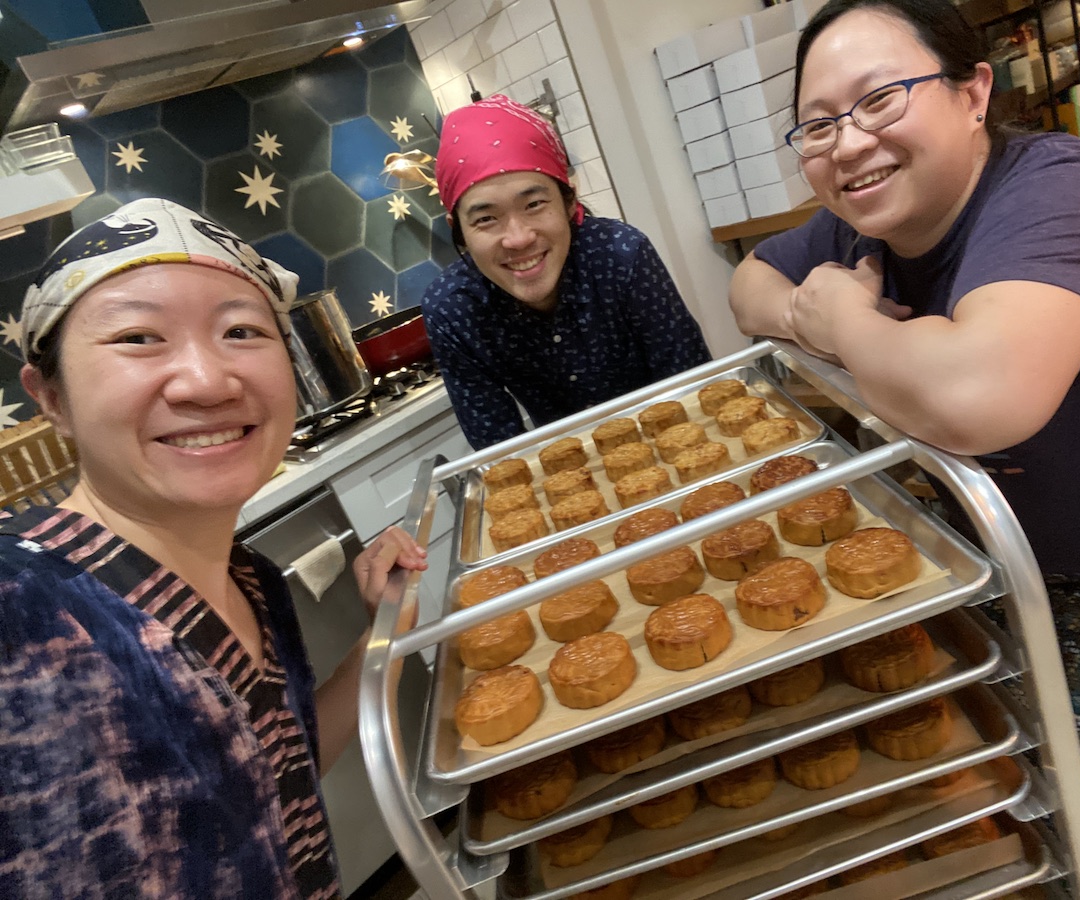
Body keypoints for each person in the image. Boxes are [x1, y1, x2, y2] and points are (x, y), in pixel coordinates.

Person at [727, 0, 1080, 893]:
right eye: (818, 123)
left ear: (974, 92)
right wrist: (804, 311)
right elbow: (751, 282)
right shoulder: (866, 222)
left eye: (880, 100)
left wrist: (845, 321)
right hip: (993, 591)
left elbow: (979, 395)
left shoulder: (1064, 187)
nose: (849, 143)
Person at [0, 197, 428, 898]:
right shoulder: (26, 612)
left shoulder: (252, 582)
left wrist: (386, 631)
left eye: (241, 330)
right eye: (139, 338)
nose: (207, 381)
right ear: (50, 398)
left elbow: (268, 777)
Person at [421, 93, 712, 450]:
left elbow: (695, 385)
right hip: (567, 475)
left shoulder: (620, 255)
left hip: (677, 441)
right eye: (486, 219)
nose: (518, 238)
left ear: (569, 201)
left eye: (534, 204)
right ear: (458, 231)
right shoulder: (453, 309)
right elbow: (499, 451)